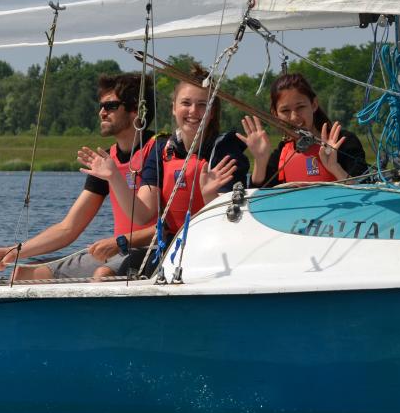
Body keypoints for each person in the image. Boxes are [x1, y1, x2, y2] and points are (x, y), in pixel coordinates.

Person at [0, 73, 159, 281]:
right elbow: (68, 228)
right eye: (101, 106)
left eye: (110, 106)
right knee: (23, 274)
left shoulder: (159, 151)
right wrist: (14, 252)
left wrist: (120, 241)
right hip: (118, 251)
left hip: (153, 250)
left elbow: (149, 219)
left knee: (103, 275)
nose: (102, 113)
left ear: (135, 109)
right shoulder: (106, 160)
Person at [81, 64, 250, 276]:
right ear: (173, 108)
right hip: (169, 247)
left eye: (202, 105)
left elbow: (233, 221)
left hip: (213, 247)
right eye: (186, 103)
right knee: (105, 274)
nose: (193, 111)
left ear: (212, 112)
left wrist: (209, 196)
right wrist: (114, 177)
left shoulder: (226, 151)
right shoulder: (162, 150)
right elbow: (142, 215)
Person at [239, 72, 369, 186]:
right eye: (285, 110)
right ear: (275, 114)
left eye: (300, 107)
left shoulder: (344, 142)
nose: (294, 117)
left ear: (314, 105)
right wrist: (260, 161)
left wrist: (334, 167)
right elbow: (257, 195)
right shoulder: (281, 154)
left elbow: (365, 190)